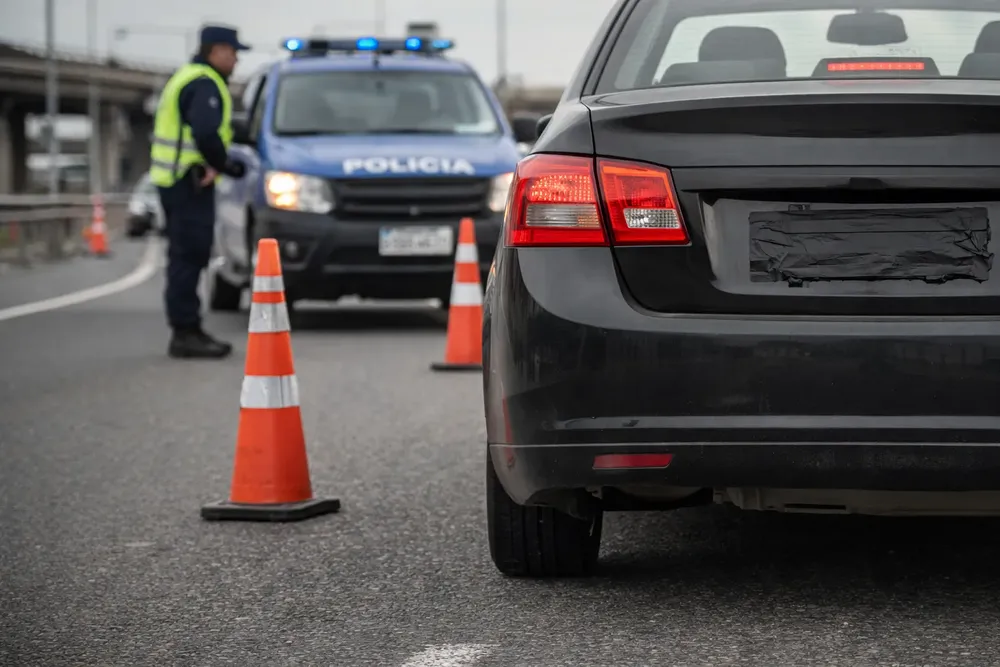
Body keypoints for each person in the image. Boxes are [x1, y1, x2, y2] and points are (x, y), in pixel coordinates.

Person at [149, 25, 250, 359]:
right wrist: (226, 165)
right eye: (233, 53)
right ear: (216, 51)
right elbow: (206, 133)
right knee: (189, 255)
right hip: (188, 182)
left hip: (177, 180)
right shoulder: (204, 83)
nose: (236, 60)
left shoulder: (187, 76)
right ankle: (185, 331)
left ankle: (186, 328)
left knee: (185, 255)